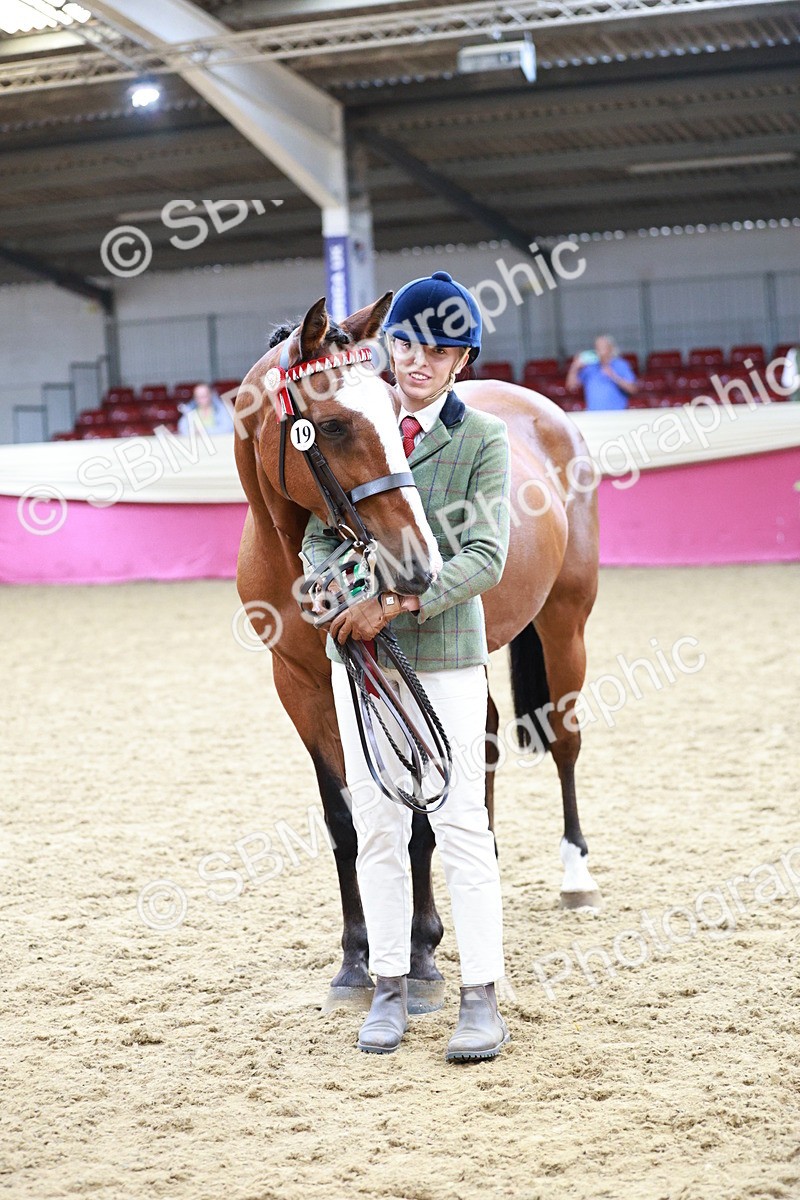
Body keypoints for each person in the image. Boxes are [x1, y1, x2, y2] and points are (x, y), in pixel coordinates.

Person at [301, 270, 512, 1061]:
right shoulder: (359, 413)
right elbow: (320, 534)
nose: (418, 360)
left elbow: (485, 555)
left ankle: (481, 998)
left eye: (440, 349)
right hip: (360, 665)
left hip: (447, 657)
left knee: (461, 825)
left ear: (463, 361)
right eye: (408, 343)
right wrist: (334, 589)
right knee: (378, 828)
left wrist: (391, 604)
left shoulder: (482, 439)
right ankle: (389, 986)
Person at [566, 334, 638, 410]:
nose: (599, 350)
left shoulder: (620, 365)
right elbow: (571, 386)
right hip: (594, 415)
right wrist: (574, 367)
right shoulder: (590, 367)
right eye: (597, 347)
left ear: (611, 348)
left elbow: (633, 389)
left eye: (602, 347)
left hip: (617, 415)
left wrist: (614, 376)